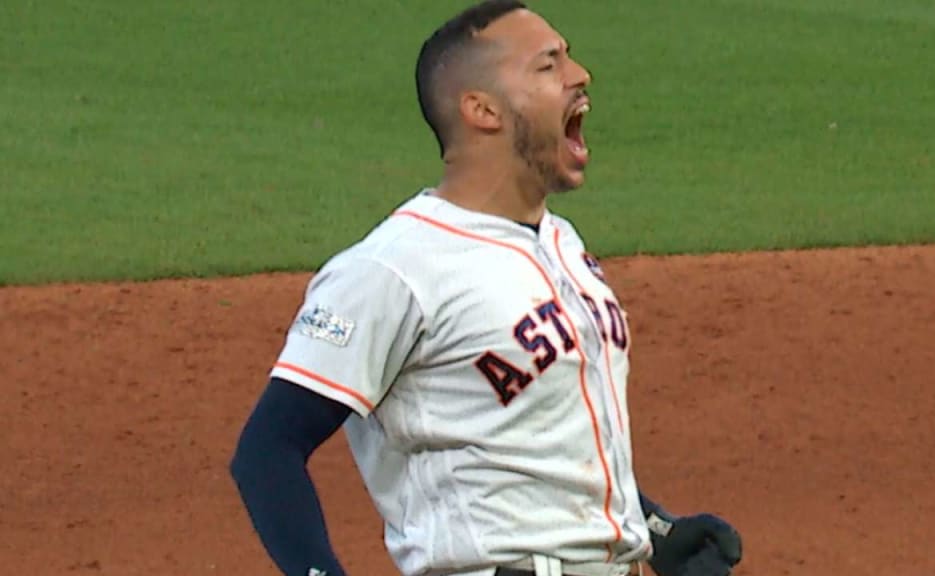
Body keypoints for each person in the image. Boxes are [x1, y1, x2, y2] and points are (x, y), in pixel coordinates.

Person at [229, 2, 744, 575]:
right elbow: (266, 452)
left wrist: (656, 530)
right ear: (482, 110)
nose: (579, 75)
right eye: (549, 65)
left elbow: (542, 434)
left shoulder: (559, 240)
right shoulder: (395, 268)